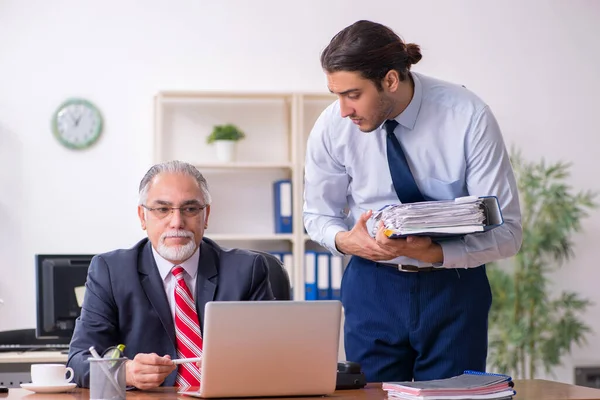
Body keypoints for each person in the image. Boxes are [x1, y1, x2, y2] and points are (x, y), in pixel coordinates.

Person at [303, 20, 522, 383]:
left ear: (390, 80)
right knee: (370, 395)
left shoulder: (468, 117)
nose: (342, 109)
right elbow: (317, 214)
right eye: (336, 95)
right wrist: (345, 240)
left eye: (353, 95)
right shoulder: (332, 127)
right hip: (371, 286)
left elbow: (508, 232)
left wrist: (434, 253)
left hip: (453, 288)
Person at [68, 160, 274, 389]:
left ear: (206, 215)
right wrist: (125, 373)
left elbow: (273, 355)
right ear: (142, 217)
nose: (176, 222)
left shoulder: (247, 270)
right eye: (163, 209)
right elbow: (78, 361)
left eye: (190, 209)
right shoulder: (110, 271)